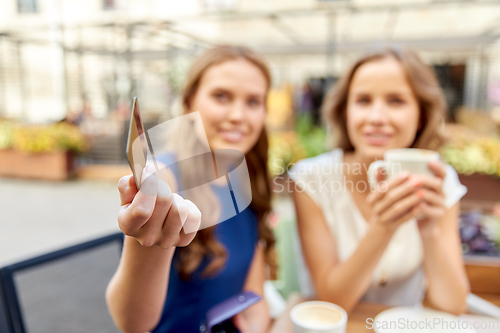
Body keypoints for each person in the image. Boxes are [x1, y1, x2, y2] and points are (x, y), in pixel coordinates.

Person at [289, 46, 470, 315]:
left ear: (421, 115)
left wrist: (430, 231)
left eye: (396, 101)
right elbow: (331, 304)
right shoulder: (311, 180)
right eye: (363, 100)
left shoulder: (440, 182)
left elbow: (453, 306)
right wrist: (382, 226)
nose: (376, 118)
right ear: (345, 111)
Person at [106, 45, 275, 333]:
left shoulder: (248, 176)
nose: (238, 115)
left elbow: (253, 296)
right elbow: (131, 324)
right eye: (221, 96)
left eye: (253, 102)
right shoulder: (166, 179)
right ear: (189, 102)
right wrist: (147, 235)